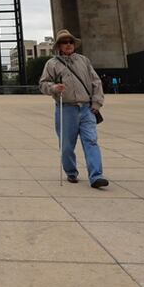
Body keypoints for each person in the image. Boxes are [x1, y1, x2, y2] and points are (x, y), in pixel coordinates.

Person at [39, 29, 108, 189]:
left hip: (86, 109)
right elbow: (42, 84)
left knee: (91, 141)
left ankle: (96, 176)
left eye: (70, 42)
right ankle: (71, 172)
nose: (68, 44)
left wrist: (97, 103)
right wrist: (54, 87)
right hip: (66, 109)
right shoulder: (52, 64)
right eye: (64, 42)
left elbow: (96, 82)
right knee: (67, 145)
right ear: (59, 46)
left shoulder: (84, 61)